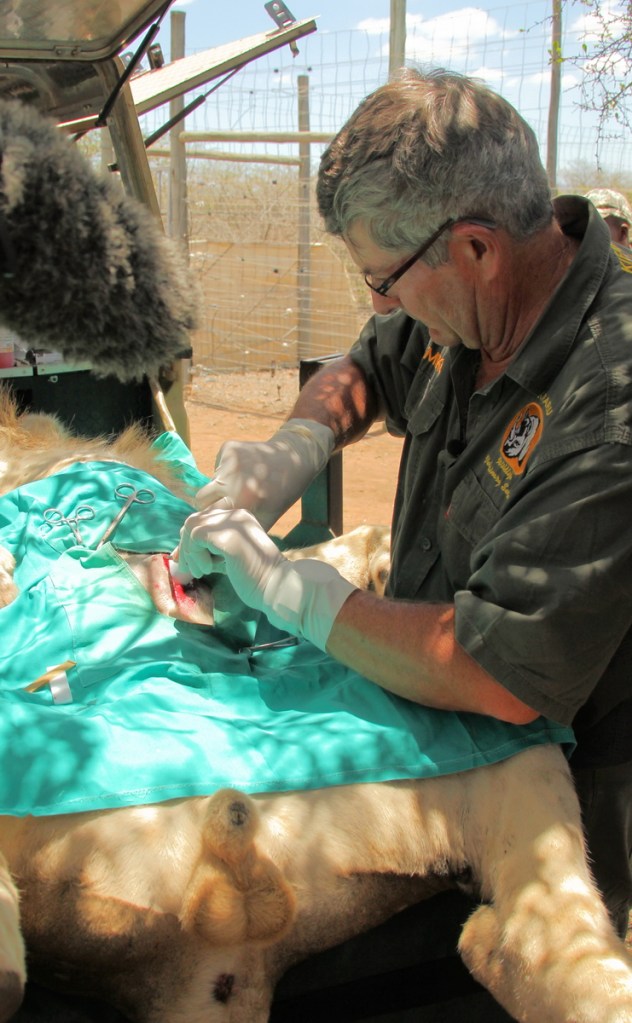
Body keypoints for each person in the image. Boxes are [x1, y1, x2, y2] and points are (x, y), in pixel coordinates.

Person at [175, 68, 632, 938]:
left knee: (553, 969)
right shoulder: (467, 301)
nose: (381, 303)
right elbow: (366, 366)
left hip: (566, 799)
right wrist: (293, 448)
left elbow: (499, 670)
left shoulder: (609, 401)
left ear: (477, 248)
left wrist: (296, 592)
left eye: (383, 279)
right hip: (437, 741)